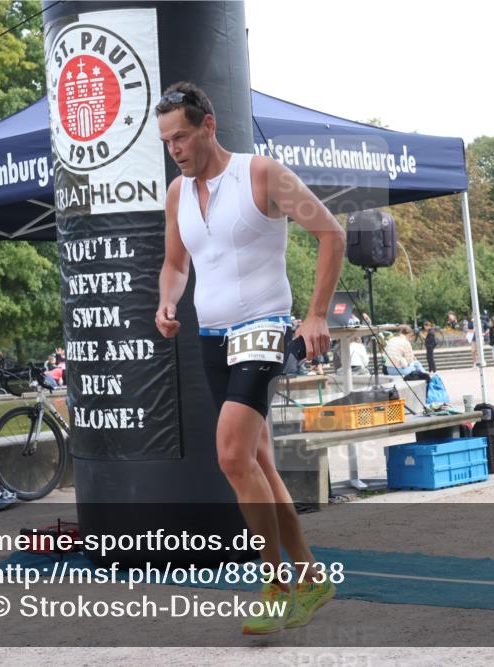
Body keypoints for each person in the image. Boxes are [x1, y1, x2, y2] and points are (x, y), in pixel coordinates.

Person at [153, 82, 343, 635]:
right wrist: (167, 298)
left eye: (182, 137)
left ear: (209, 125)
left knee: (232, 458)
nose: (176, 149)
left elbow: (330, 234)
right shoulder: (177, 194)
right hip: (211, 334)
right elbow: (175, 264)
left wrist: (315, 315)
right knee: (258, 465)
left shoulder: (262, 173)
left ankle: (276, 585)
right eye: (167, 142)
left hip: (263, 326)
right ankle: (309, 579)